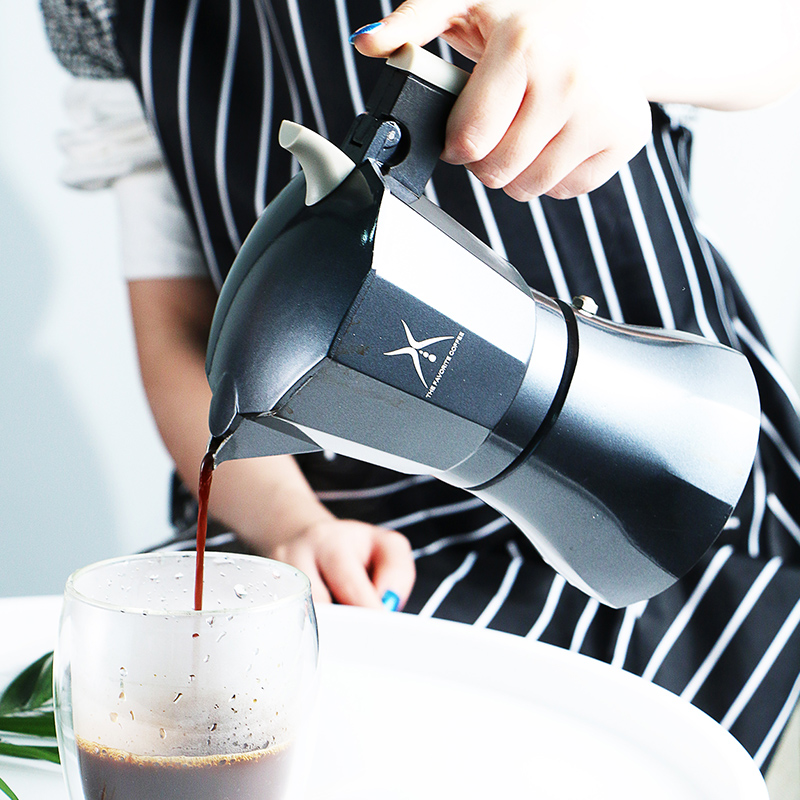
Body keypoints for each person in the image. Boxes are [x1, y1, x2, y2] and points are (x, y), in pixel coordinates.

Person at [40, 0, 800, 783]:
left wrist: (607, 39)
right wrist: (293, 525)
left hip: (658, 485)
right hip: (332, 525)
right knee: (119, 685)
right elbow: (180, 331)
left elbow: (776, 36)